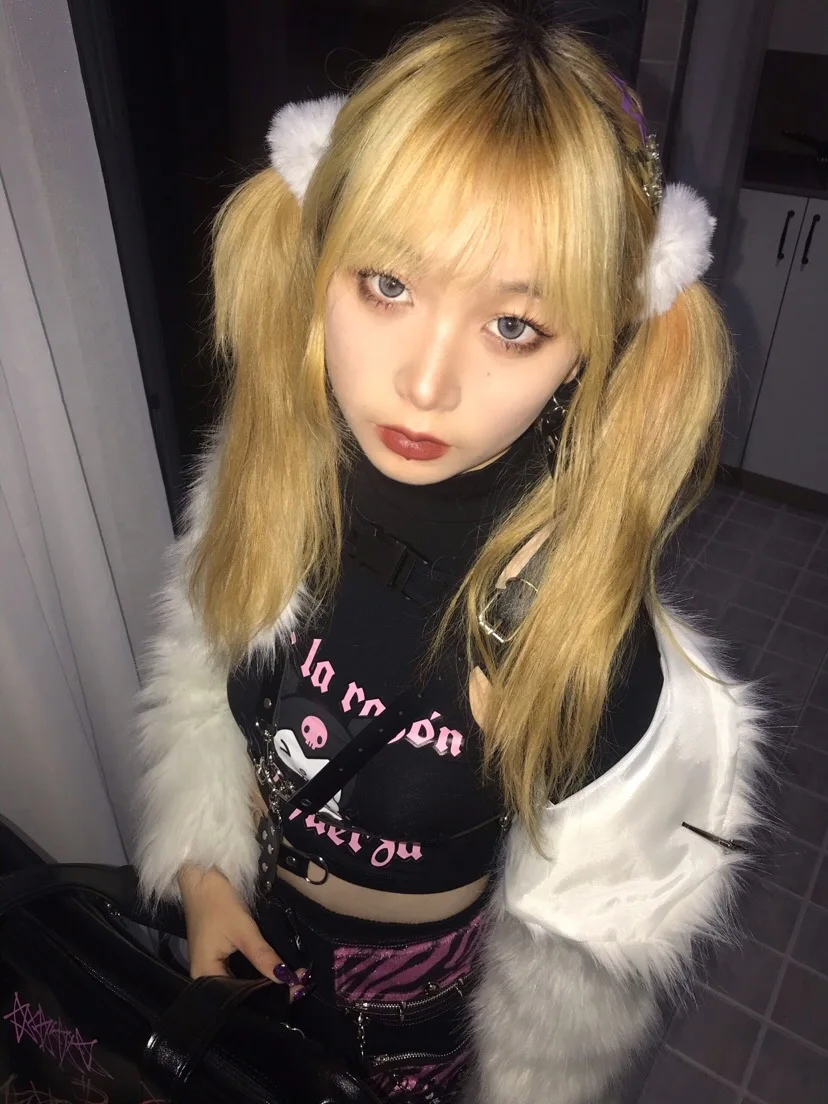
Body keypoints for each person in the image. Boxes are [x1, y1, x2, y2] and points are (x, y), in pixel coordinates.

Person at [132, 5, 780, 1102]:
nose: (424, 386)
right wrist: (203, 874)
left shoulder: (581, 636)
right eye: (387, 285)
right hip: (240, 942)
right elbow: (202, 692)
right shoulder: (268, 476)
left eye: (514, 326)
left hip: (409, 1024)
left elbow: (576, 983)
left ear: (591, 347)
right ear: (320, 255)